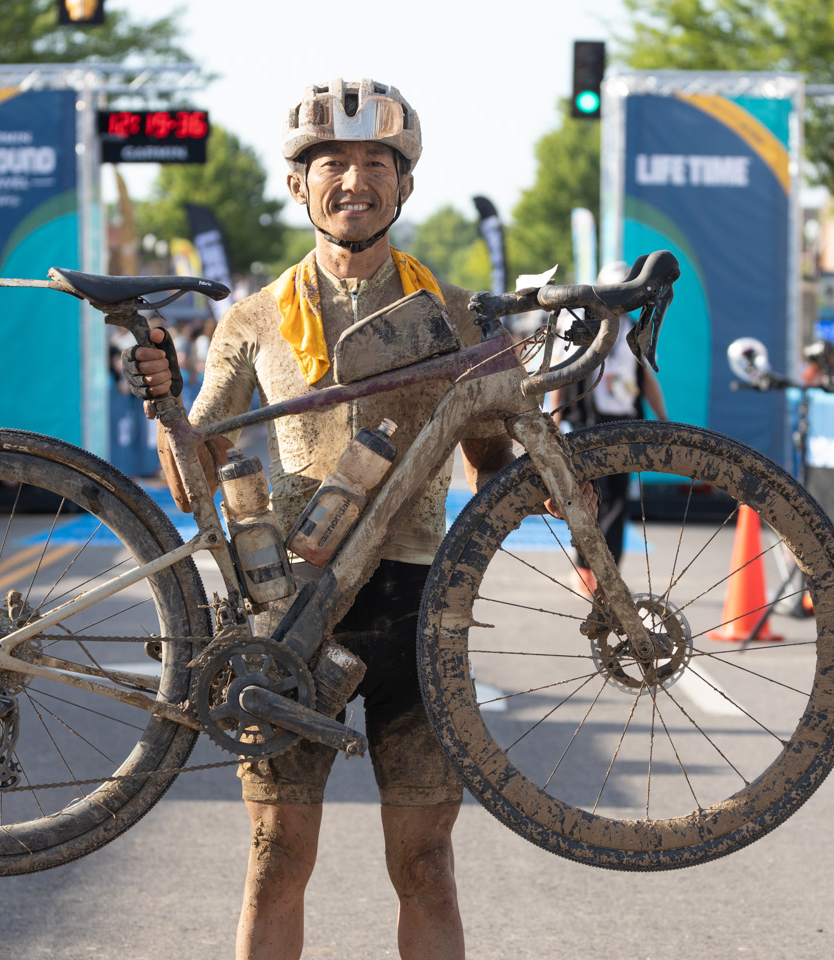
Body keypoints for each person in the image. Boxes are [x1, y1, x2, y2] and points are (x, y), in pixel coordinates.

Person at [125, 78, 578, 960]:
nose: (355, 179)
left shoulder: (453, 314)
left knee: (427, 864)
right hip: (288, 610)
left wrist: (526, 425)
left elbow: (488, 464)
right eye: (332, 162)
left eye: (377, 161)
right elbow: (192, 479)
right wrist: (166, 408)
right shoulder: (252, 319)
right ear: (301, 185)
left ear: (404, 185)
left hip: (416, 605)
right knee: (274, 858)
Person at [550, 261, 669, 596]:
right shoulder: (585, 323)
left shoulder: (635, 327)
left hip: (623, 426)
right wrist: (555, 419)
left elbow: (645, 380)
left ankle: (608, 573)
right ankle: (584, 567)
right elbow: (564, 370)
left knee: (617, 502)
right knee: (585, 497)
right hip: (587, 424)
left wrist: (664, 420)